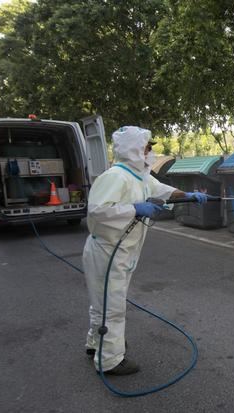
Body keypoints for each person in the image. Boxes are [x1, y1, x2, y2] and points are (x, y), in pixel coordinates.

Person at [82, 126, 207, 375]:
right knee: (112, 306)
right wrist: (134, 209)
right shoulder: (116, 176)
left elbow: (163, 190)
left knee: (103, 303)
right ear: (135, 150)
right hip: (108, 251)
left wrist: (190, 196)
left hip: (121, 252)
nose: (151, 152)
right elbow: (97, 210)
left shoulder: (139, 176)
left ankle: (96, 343)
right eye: (148, 148)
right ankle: (109, 360)